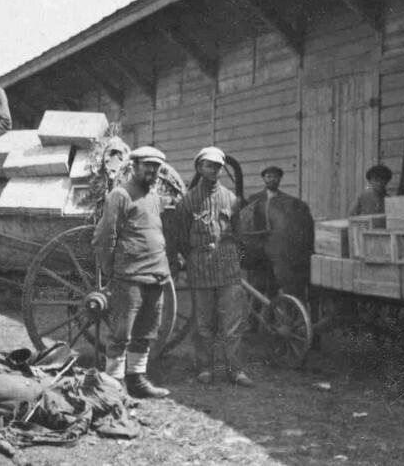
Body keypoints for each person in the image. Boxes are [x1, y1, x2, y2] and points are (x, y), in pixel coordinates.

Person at [92, 145, 171, 399]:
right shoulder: (120, 195)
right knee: (121, 333)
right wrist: (109, 269)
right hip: (129, 276)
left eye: (155, 166)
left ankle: (136, 381)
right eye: (146, 165)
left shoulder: (154, 197)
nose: (151, 170)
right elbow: (105, 236)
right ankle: (113, 387)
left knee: (147, 331)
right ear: (134, 167)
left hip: (156, 274)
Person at [177, 146, 253, 388]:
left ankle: (236, 370)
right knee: (203, 324)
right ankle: (205, 368)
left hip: (228, 268)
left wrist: (234, 261)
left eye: (218, 166)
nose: (214, 171)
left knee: (233, 323)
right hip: (200, 269)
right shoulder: (188, 202)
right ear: (199, 168)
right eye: (209, 166)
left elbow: (239, 235)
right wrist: (193, 260)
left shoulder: (231, 200)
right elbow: (180, 238)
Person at [245, 166, 314, 299]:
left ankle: (273, 312)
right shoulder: (254, 199)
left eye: (275, 177)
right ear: (264, 179)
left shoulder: (287, 201)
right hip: (259, 248)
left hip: (277, 249)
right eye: (269, 176)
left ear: (280, 179)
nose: (272, 179)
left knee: (276, 283)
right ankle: (256, 315)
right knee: (258, 285)